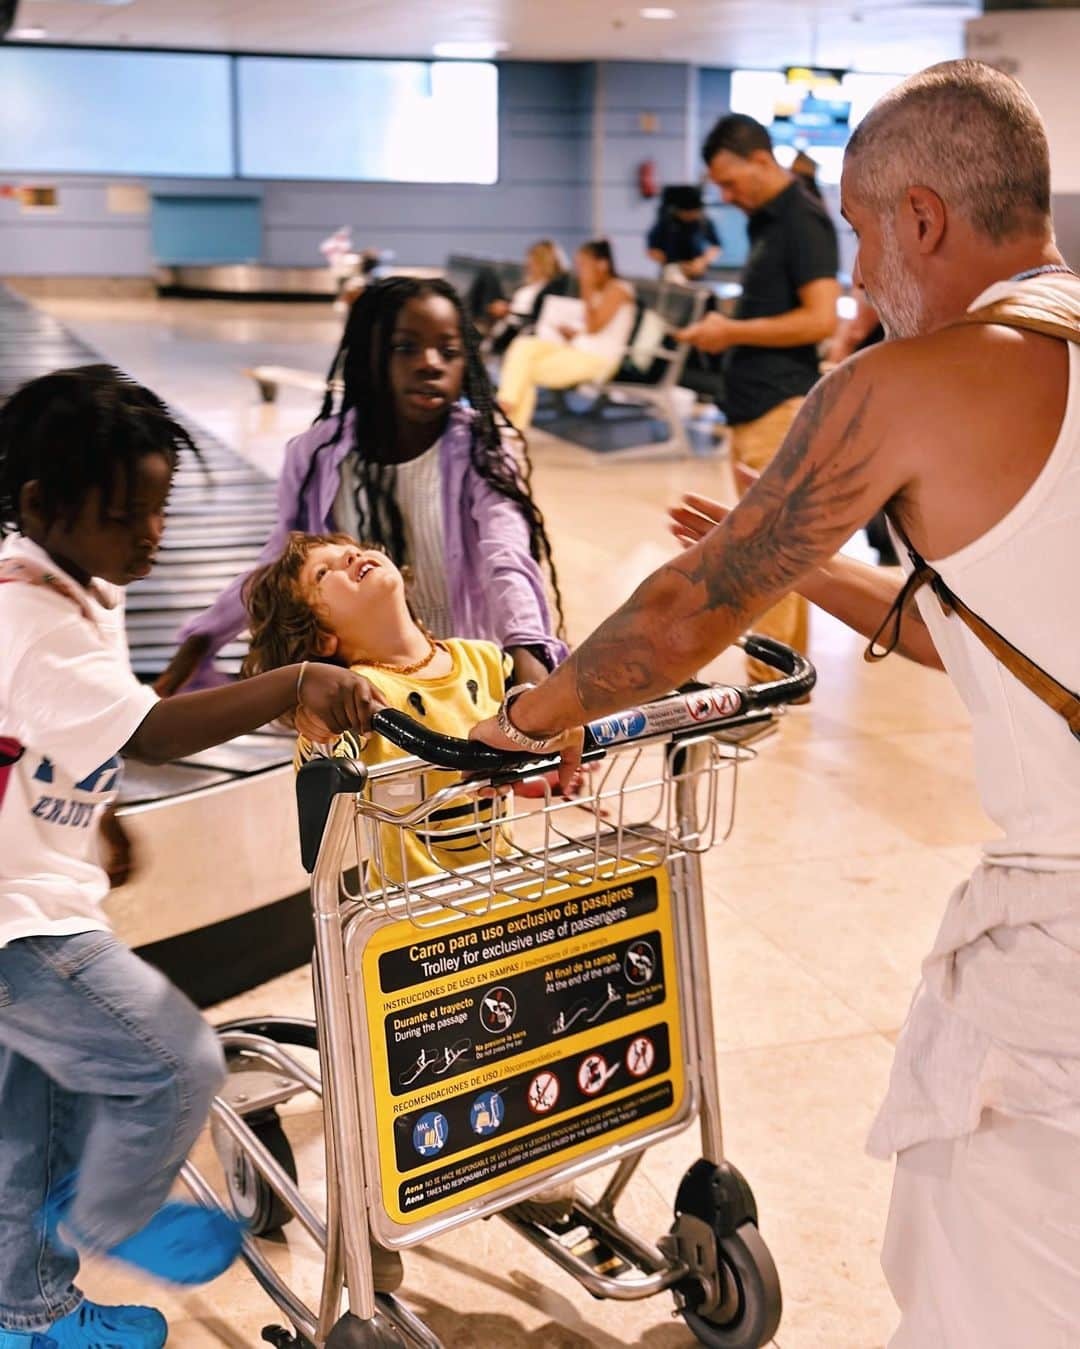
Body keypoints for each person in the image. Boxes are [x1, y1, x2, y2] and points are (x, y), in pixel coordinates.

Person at [471, 60, 1080, 1346]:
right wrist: (816, 566)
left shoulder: (909, 380)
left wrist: (535, 716)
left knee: (998, 1273)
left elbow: (692, 602)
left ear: (921, 217)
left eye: (862, 228)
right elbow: (983, 632)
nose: (857, 271)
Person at [0, 367, 382, 1347]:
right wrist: (295, 677)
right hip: (16, 920)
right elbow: (157, 730)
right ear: (42, 505)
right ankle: (111, 1214)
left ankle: (27, 1313)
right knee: (173, 1058)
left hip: (33, 876)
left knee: (29, 1125)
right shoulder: (30, 615)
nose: (151, 535)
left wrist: (96, 809)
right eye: (128, 514)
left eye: (161, 510)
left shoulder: (70, 577)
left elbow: (58, 727)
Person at [156, 277, 566, 697]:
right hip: (370, 687)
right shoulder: (318, 455)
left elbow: (507, 553)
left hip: (467, 681)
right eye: (406, 347)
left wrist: (527, 650)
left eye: (449, 351)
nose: (430, 363)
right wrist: (203, 638)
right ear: (369, 356)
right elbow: (282, 562)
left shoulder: (483, 450)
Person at [243, 531, 517, 882]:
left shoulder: (484, 659)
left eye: (355, 550)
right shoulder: (357, 696)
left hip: (511, 884)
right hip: (414, 909)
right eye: (323, 573)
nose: (350, 557)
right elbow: (319, 764)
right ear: (320, 639)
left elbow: (533, 719)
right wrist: (320, 723)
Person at [677, 113, 840, 683]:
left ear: (762, 160)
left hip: (779, 406)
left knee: (766, 550)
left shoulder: (804, 221)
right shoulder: (769, 223)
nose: (725, 196)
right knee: (771, 546)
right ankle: (783, 678)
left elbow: (820, 319)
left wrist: (733, 332)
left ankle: (769, 681)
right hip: (755, 407)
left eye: (729, 181)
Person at [496, 240, 636, 429]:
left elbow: (595, 327)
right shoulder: (599, 290)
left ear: (602, 264)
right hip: (578, 347)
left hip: (598, 359)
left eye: (583, 265)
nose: (579, 271)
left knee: (523, 371)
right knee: (523, 345)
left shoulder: (619, 289)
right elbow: (592, 329)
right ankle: (508, 415)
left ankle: (508, 422)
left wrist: (586, 287)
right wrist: (575, 333)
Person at [487, 239, 571, 356]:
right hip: (527, 340)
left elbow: (517, 323)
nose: (527, 265)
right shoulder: (562, 291)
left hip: (517, 343)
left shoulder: (530, 293)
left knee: (486, 276)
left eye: (531, 261)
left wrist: (507, 312)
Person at [645, 185, 722, 283]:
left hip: (698, 272)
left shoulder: (704, 222)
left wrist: (703, 261)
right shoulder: (666, 223)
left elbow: (716, 246)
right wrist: (678, 264)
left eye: (695, 212)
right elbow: (652, 250)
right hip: (672, 272)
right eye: (688, 213)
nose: (692, 216)